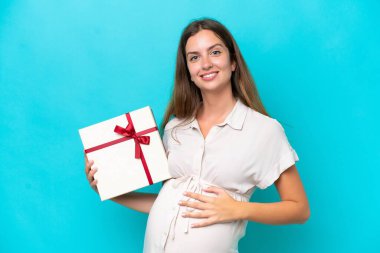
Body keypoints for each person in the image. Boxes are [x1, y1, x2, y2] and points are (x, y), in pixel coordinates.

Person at [84, 18, 310, 253]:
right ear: (189, 72)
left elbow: (299, 209)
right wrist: (109, 192)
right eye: (194, 57)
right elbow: (170, 204)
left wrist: (238, 209)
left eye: (215, 52)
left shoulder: (264, 130)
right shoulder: (175, 128)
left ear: (233, 62)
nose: (205, 64)